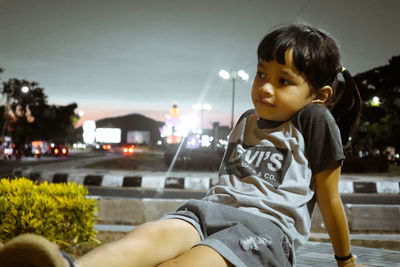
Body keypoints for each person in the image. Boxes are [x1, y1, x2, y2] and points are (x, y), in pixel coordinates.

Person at [0, 23, 367, 267]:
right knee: (148, 238)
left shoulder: (314, 120)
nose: (265, 87)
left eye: (283, 81)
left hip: (264, 230)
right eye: (260, 74)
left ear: (319, 95)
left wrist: (345, 260)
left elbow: (329, 199)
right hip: (208, 211)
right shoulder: (245, 121)